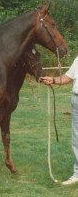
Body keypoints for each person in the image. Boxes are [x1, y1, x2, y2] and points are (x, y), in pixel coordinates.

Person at [41, 56, 78, 185]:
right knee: (76, 139)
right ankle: (77, 173)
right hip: (76, 100)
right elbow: (67, 77)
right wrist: (53, 80)